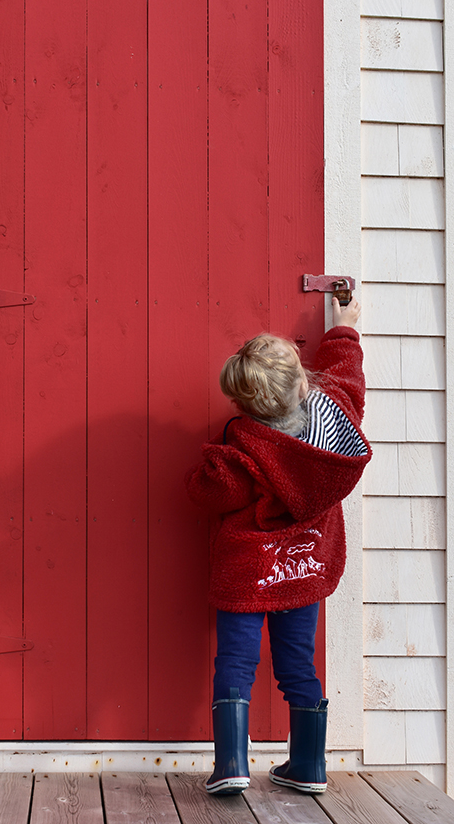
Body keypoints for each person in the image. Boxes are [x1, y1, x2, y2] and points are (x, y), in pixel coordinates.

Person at [185, 297, 371, 796]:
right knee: (298, 667)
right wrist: (343, 328)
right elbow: (347, 376)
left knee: (236, 665)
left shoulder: (242, 452)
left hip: (248, 574)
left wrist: (213, 455)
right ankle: (309, 765)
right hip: (303, 567)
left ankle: (231, 764)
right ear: (303, 383)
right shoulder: (337, 419)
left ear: (244, 405)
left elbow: (205, 492)